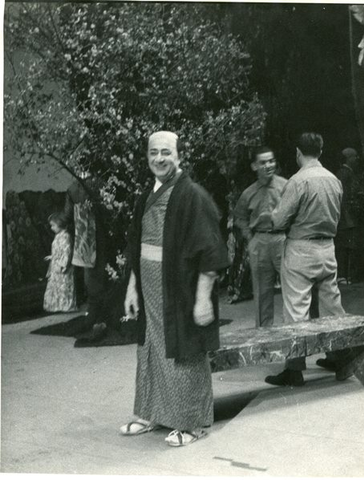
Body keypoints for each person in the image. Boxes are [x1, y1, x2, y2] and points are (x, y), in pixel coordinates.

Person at [120, 131, 229, 447]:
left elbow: (211, 249)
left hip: (181, 289)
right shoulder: (146, 195)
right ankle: (152, 413)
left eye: (166, 152)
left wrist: (203, 298)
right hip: (150, 287)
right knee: (150, 349)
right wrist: (131, 289)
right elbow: (134, 246)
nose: (159, 159)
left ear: (179, 155)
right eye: (153, 152)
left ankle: (193, 424)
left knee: (185, 355)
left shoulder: (192, 195)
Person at [261, 133, 353, 386]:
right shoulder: (334, 180)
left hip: (301, 250)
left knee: (296, 311)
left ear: (299, 153)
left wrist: (272, 215)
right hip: (327, 248)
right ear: (321, 152)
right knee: (331, 307)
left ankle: (294, 369)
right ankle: (340, 357)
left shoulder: (298, 181)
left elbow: (280, 221)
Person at [234, 146, 287, 326]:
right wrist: (250, 237)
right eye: (263, 162)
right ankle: (264, 336)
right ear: (254, 166)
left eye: (271, 161)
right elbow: (240, 217)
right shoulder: (248, 193)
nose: (268, 165)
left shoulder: (285, 186)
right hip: (259, 242)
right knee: (262, 291)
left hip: (282, 240)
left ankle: (295, 332)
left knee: (292, 289)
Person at [63, 171, 108, 344]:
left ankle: (94, 315)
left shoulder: (73, 188)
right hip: (101, 234)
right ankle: (100, 318)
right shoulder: (100, 183)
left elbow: (67, 216)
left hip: (84, 237)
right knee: (101, 274)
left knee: (91, 276)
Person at [334, 147, 361, 283]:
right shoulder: (344, 173)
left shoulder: (345, 172)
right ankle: (345, 275)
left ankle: (345, 275)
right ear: (348, 158)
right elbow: (343, 197)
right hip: (346, 217)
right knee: (347, 246)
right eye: (354, 156)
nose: (356, 159)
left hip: (346, 216)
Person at [43, 212, 77, 312]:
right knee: (56, 286)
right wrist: (52, 257)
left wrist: (64, 264)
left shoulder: (65, 236)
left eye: (53, 225)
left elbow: (67, 251)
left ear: (60, 224)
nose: (51, 228)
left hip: (62, 265)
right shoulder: (58, 236)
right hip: (56, 264)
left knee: (64, 286)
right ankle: (56, 306)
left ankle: (65, 306)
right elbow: (58, 249)